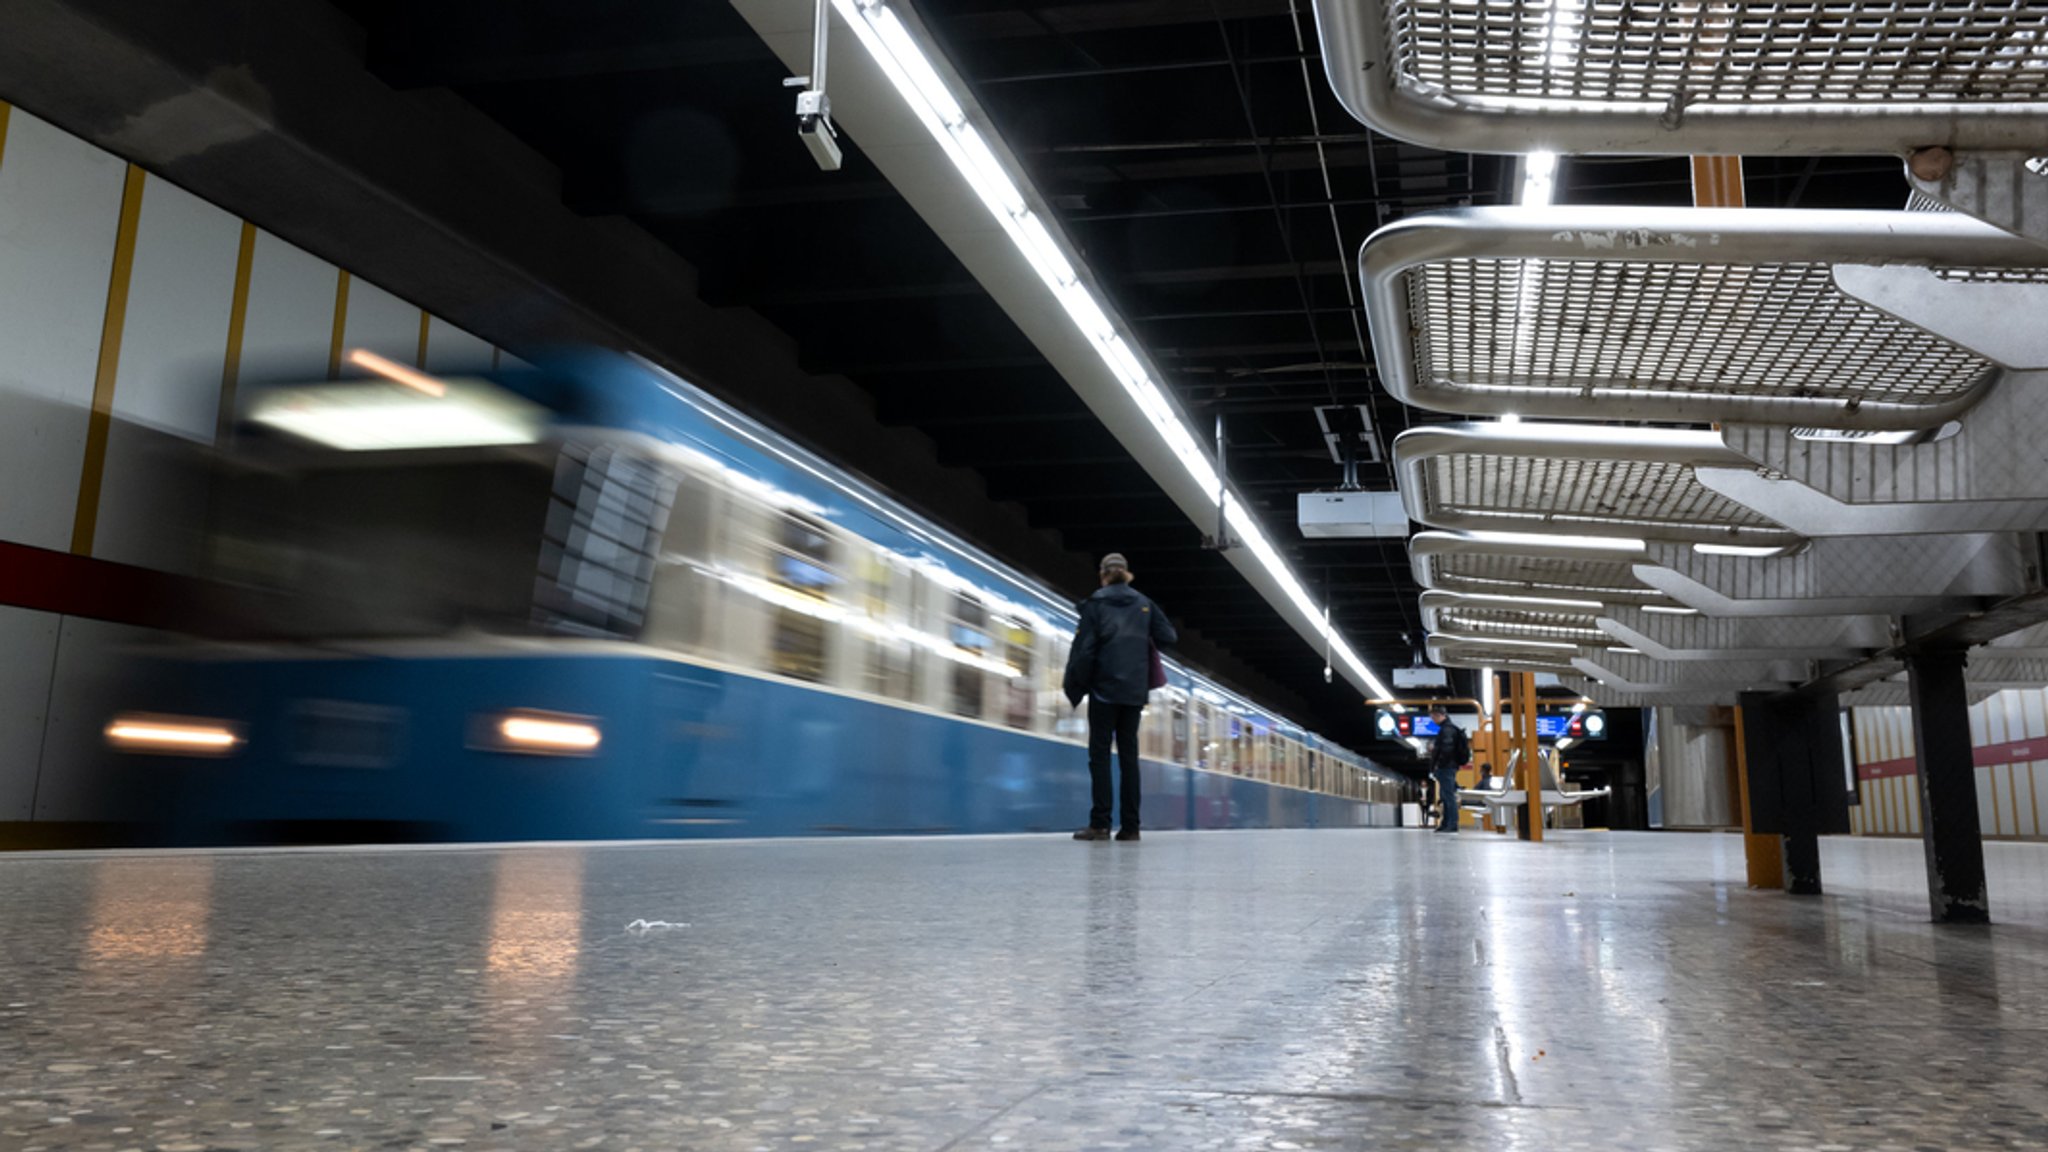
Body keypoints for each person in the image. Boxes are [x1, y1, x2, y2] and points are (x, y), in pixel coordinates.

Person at [1063, 553, 1176, 842]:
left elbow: (1085, 649)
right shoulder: (1144, 604)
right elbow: (1169, 636)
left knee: (1099, 757)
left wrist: (1079, 682)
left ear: (1103, 574)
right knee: (1129, 759)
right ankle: (1131, 827)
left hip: (1103, 690)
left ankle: (1100, 825)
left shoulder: (1095, 604)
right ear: (1126, 574)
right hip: (1133, 692)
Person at [1428, 705, 1469, 834]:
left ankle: (1452, 824)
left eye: (1433, 717)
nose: (1433, 720)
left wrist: (1439, 764)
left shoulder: (1447, 730)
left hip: (1446, 767)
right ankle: (1446, 823)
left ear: (1439, 715)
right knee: (1445, 796)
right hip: (1448, 766)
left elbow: (1446, 749)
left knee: (1448, 796)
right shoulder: (1448, 729)